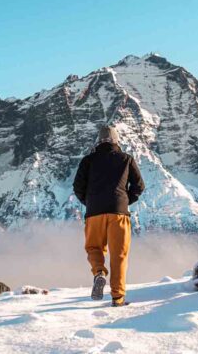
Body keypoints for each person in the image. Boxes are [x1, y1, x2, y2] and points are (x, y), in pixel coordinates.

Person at [73, 125, 145, 307]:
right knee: (119, 255)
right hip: (119, 213)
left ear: (98, 141)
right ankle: (118, 298)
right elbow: (139, 186)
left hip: (94, 212)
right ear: (116, 141)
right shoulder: (126, 159)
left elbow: (78, 187)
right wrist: (125, 201)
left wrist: (89, 202)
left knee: (93, 247)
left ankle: (99, 272)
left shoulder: (88, 160)